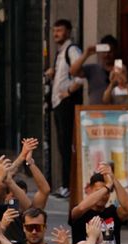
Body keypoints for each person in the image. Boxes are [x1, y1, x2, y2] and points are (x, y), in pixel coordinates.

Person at [46, 19, 83, 199]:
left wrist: (68, 91)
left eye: (59, 30)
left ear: (68, 31)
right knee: (62, 145)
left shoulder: (72, 50)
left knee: (67, 145)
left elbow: (80, 76)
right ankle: (65, 185)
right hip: (58, 104)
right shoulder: (61, 52)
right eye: (55, 31)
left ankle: (68, 186)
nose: (56, 34)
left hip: (66, 104)